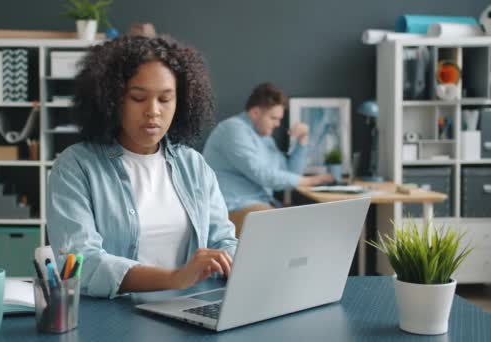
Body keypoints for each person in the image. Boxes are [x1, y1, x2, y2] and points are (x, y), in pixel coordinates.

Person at [46, 35, 237, 299]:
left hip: (188, 309)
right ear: (112, 100)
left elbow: (223, 241)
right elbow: (81, 264)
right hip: (114, 318)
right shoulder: (75, 167)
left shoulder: (194, 165)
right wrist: (175, 278)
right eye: (138, 98)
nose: (153, 111)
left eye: (165, 99)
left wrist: (236, 261)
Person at [203, 83, 333, 237]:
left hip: (262, 206)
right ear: (255, 112)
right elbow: (261, 174)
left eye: (279, 119)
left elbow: (289, 173)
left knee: (316, 223)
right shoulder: (232, 130)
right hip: (233, 208)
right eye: (273, 118)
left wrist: (302, 141)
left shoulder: (266, 139)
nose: (278, 124)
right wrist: (309, 181)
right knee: (284, 227)